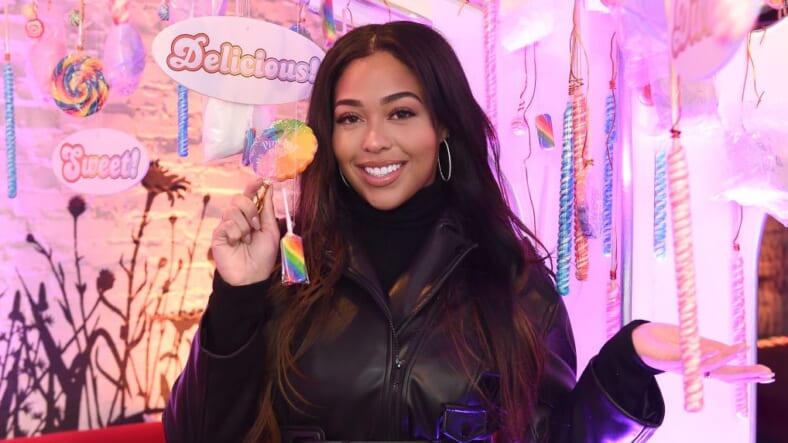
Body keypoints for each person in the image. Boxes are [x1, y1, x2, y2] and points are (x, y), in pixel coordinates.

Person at [162, 21, 774, 443]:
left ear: (444, 126)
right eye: (350, 119)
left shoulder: (512, 283)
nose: (373, 140)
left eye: (401, 113)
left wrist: (627, 364)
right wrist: (238, 293)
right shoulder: (290, 274)